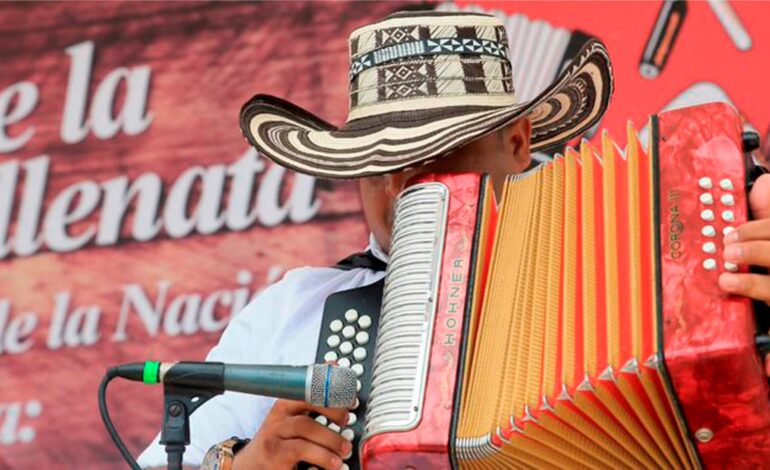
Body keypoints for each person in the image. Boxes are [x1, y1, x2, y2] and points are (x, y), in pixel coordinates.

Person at [138, 10, 770, 470]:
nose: (399, 190)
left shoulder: (654, 254)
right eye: (377, 165)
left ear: (518, 142)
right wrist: (241, 465)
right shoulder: (295, 308)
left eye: (432, 156)